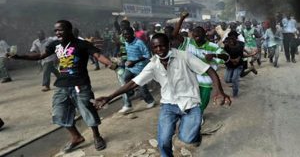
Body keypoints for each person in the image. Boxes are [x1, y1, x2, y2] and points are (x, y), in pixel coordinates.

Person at [92, 33, 231, 157]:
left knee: (187, 138)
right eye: (155, 47)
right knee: (163, 141)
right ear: (152, 48)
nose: (159, 50)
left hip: (191, 103)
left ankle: (194, 135)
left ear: (169, 45)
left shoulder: (184, 56)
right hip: (168, 105)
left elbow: (209, 70)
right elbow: (134, 83)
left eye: (162, 46)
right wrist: (109, 97)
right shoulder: (153, 65)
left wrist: (219, 91)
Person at [8, 20, 116, 152]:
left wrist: (110, 64)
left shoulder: (82, 44)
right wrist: (19, 57)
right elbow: (40, 56)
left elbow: (97, 55)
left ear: (69, 30)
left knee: (88, 110)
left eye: (60, 30)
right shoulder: (54, 44)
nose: (57, 33)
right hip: (62, 85)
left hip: (80, 84)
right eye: (56, 31)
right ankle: (76, 137)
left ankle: (97, 136)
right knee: (59, 113)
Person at [118, 27, 155, 113]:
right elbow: (127, 53)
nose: (125, 36)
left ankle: (150, 100)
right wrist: (122, 56)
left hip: (140, 68)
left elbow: (147, 55)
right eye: (124, 35)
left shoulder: (139, 43)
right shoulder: (126, 43)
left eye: (127, 34)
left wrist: (135, 61)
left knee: (142, 88)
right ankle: (128, 104)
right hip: (129, 68)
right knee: (124, 81)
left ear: (132, 34)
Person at [223, 31, 257, 97]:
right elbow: (224, 54)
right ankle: (250, 69)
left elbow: (243, 52)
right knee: (228, 80)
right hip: (230, 64)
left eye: (234, 37)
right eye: (231, 37)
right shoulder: (226, 45)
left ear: (236, 38)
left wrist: (250, 54)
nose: (232, 39)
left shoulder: (241, 44)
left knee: (236, 78)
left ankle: (235, 93)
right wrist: (231, 60)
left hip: (240, 63)